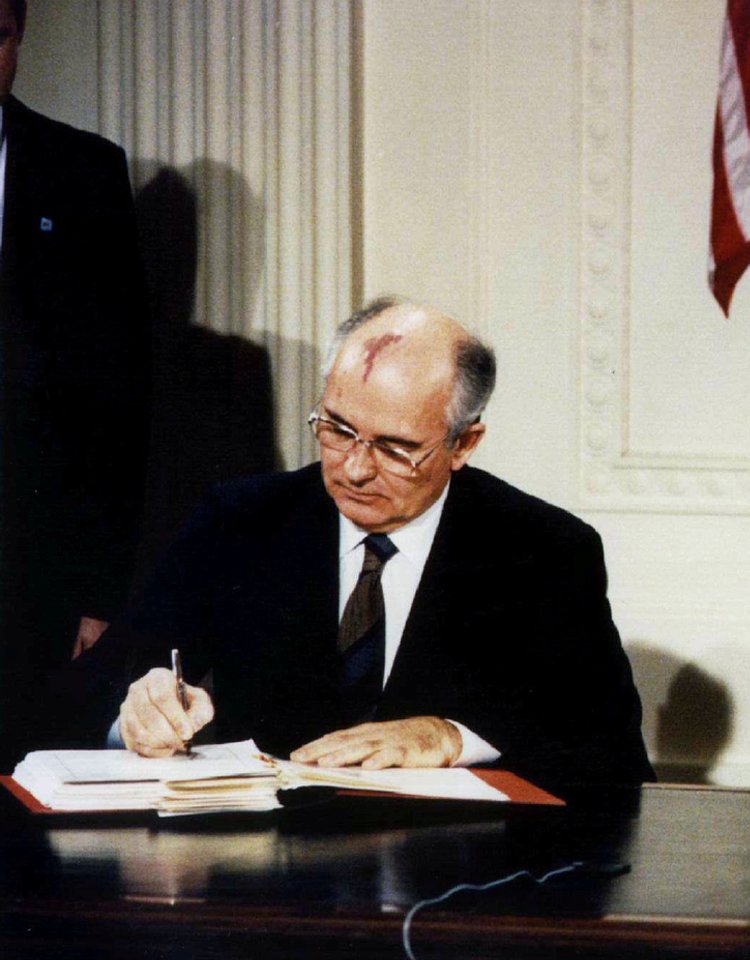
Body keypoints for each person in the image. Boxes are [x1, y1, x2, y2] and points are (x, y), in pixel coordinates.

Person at [53, 297, 654, 789]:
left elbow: (611, 757)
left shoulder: (545, 552)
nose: (355, 469)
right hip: (266, 871)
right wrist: (134, 716)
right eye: (337, 430)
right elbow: (87, 692)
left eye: (395, 447)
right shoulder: (239, 521)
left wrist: (453, 738)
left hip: (452, 875)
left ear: (464, 444)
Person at [0, 0, 150, 764]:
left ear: (19, 36)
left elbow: (118, 403)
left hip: (37, 583)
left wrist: (101, 597)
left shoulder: (83, 172)